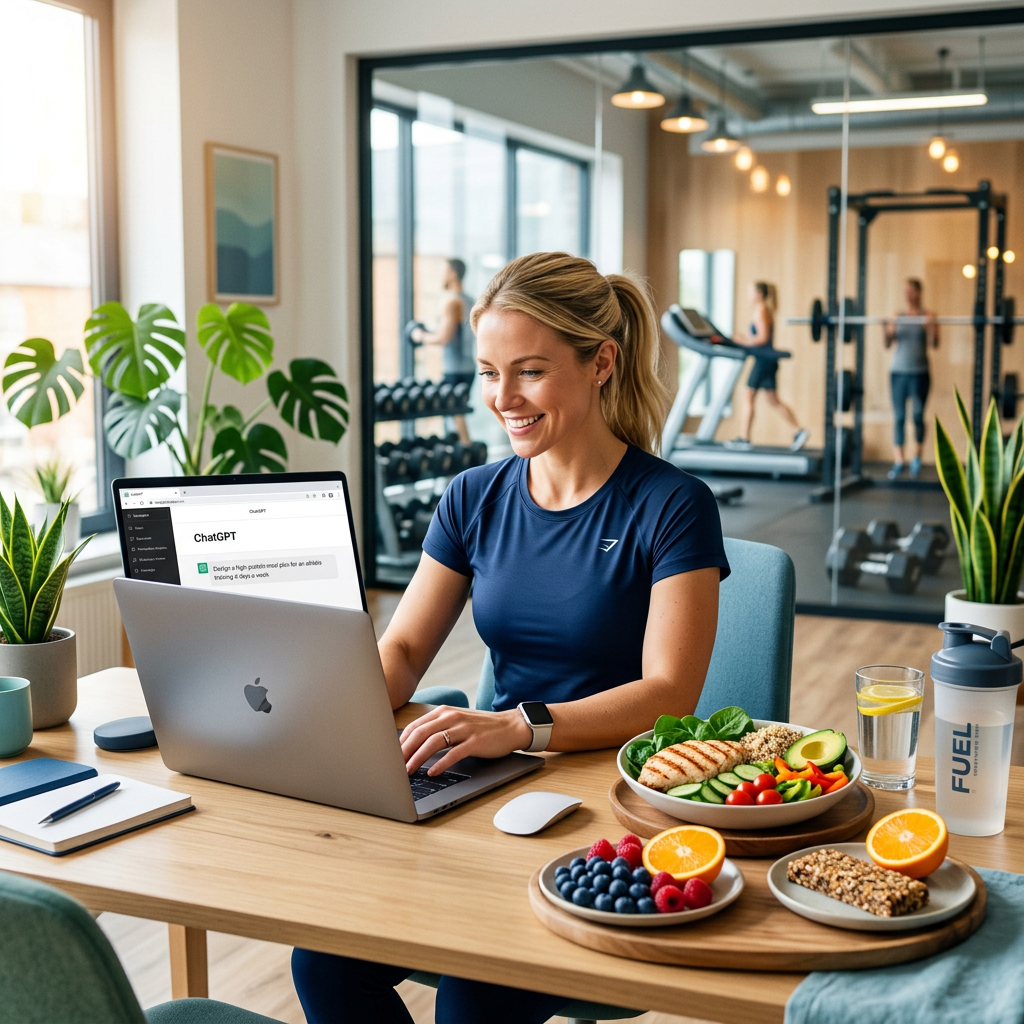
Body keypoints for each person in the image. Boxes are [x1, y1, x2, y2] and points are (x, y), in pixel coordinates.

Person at [291, 251, 731, 1024]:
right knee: (323, 959)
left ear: (601, 362)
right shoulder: (474, 495)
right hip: (491, 788)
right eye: (490, 373)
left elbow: (671, 694)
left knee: (472, 995)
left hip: (608, 805)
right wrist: (311, 711)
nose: (504, 399)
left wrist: (519, 727)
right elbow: (400, 654)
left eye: (528, 372)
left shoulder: (672, 505)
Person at [727, 282, 809, 452]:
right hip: (767, 360)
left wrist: (742, 341)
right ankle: (798, 431)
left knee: (748, 396)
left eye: (750, 291)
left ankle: (744, 439)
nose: (748, 294)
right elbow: (759, 337)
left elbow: (763, 338)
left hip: (763, 360)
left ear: (758, 294)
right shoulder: (763, 309)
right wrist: (746, 338)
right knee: (773, 400)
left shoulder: (762, 310)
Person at [411, 258, 476, 443]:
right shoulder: (472, 300)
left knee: (455, 414)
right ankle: (463, 455)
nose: (442, 274)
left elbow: (443, 337)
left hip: (454, 369)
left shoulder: (452, 302)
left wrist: (420, 336)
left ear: (453, 274)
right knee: (456, 413)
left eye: (445, 270)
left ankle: (466, 457)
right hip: (468, 367)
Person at [883, 277, 939, 480]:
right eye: (905, 290)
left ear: (918, 293)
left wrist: (930, 326)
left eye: (911, 290)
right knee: (899, 417)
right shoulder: (896, 315)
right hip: (898, 372)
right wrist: (884, 327)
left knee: (917, 415)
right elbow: (887, 343)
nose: (907, 294)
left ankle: (916, 457)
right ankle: (899, 461)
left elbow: (935, 343)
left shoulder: (928, 315)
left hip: (919, 373)